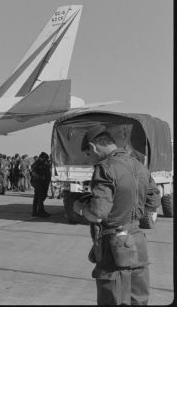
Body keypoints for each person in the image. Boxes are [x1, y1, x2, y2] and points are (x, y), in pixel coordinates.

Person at [73, 128, 160, 306]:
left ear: (93, 147)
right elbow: (153, 201)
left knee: (113, 301)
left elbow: (97, 214)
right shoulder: (139, 165)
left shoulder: (105, 168)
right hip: (137, 241)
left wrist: (80, 208)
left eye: (89, 154)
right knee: (139, 300)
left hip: (114, 246)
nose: (90, 160)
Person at [30, 152, 51, 217]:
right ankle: (40, 212)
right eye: (45, 159)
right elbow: (33, 173)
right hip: (38, 182)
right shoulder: (37, 163)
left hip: (42, 182)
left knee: (38, 197)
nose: (45, 160)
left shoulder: (42, 163)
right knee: (40, 197)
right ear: (41, 157)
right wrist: (40, 177)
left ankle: (36, 211)